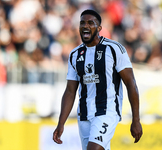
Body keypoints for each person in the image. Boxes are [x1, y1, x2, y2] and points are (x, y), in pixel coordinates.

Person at [53, 9, 143, 150]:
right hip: (84, 115)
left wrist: (136, 120)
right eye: (82, 23)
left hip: (106, 111)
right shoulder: (75, 54)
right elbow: (70, 91)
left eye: (90, 23)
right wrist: (61, 123)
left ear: (99, 28)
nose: (85, 26)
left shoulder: (114, 49)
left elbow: (131, 84)